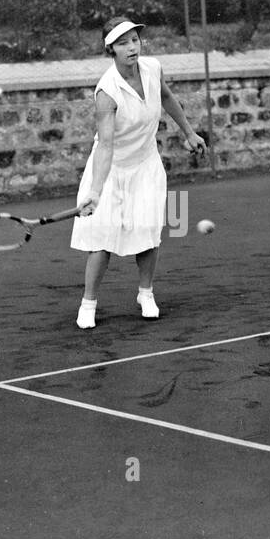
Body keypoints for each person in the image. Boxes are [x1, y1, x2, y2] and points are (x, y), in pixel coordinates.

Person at [72, 17, 205, 329]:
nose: (132, 47)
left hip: (145, 164)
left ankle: (146, 293)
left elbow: (168, 98)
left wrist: (188, 132)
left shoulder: (152, 68)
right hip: (111, 168)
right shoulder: (106, 91)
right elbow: (105, 145)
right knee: (102, 239)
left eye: (134, 40)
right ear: (111, 49)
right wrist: (96, 190)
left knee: (147, 232)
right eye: (122, 43)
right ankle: (88, 303)